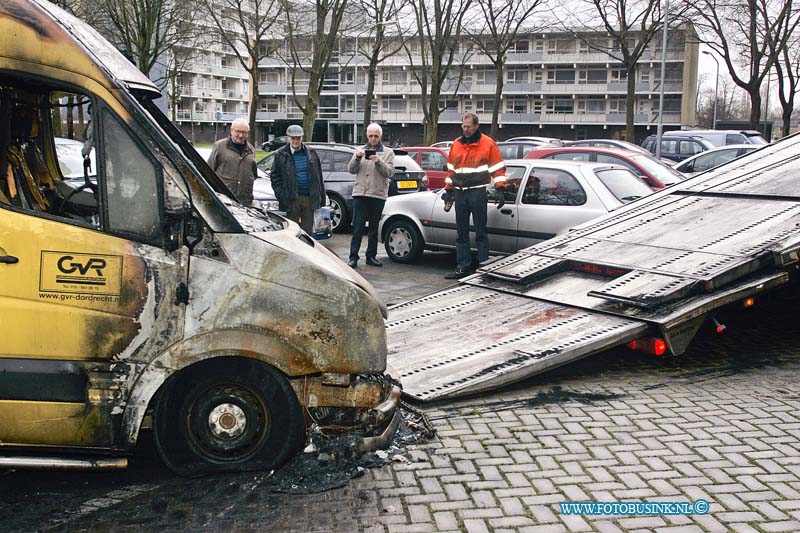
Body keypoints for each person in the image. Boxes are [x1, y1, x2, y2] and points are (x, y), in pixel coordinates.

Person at [442, 113, 506, 279]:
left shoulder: (487, 143)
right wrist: (448, 189)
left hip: (477, 192)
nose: (465, 129)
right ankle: (463, 266)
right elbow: (451, 169)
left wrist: (500, 189)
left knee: (480, 232)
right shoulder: (456, 144)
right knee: (461, 232)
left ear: (477, 126)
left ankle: (483, 267)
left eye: (469, 126)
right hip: (460, 192)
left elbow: (498, 168)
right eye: (463, 126)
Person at [347, 123, 395, 269]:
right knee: (357, 228)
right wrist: (357, 157)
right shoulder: (360, 150)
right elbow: (351, 169)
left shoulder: (388, 153)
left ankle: (371, 256)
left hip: (377, 194)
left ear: (380, 136)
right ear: (367, 136)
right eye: (370, 136)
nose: (373, 139)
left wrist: (378, 161)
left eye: (376, 136)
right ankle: (353, 257)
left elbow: (389, 172)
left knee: (374, 228)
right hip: (360, 194)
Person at [269, 124, 325, 234]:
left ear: (302, 138)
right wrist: (282, 195)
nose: (295, 141)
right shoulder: (281, 154)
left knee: (307, 233)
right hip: (291, 199)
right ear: (288, 138)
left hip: (309, 199)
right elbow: (275, 177)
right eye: (293, 138)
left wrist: (321, 198)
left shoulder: (311, 153)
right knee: (292, 233)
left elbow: (318, 176)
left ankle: (306, 251)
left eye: (298, 138)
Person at [207, 118, 257, 205]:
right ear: (231, 130)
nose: (241, 135)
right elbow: (209, 171)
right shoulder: (220, 146)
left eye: (244, 132)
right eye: (238, 131)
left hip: (245, 201)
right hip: (224, 199)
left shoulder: (251, 149)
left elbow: (253, 173)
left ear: (248, 133)